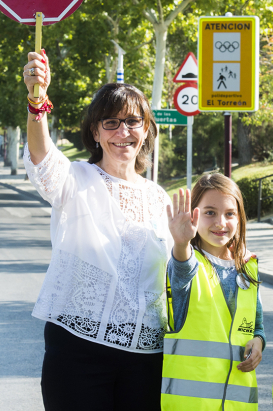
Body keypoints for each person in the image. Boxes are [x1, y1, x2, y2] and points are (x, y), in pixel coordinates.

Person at [22, 50, 171, 410]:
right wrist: (36, 99)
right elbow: (42, 157)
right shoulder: (75, 179)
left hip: (147, 355)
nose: (124, 132)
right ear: (95, 131)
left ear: (147, 129)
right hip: (78, 350)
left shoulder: (158, 196)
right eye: (111, 123)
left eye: (133, 122)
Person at [162, 174, 264, 410]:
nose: (220, 222)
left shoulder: (248, 267)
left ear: (240, 219)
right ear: (193, 215)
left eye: (230, 213)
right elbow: (181, 268)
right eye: (210, 212)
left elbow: (256, 326)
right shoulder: (188, 262)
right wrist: (180, 243)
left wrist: (258, 342)